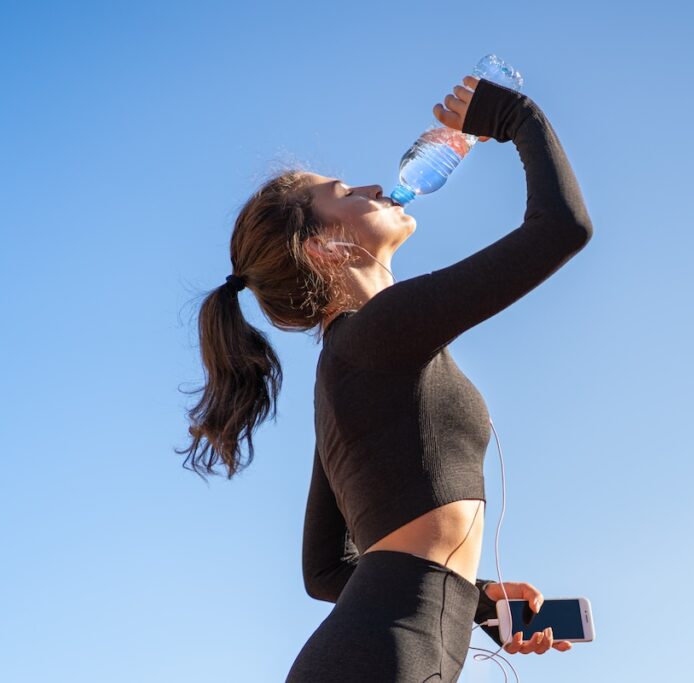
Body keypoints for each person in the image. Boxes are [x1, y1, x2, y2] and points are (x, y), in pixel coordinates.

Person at [177, 74, 592, 682]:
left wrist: (478, 604)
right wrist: (517, 116)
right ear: (325, 248)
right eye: (345, 192)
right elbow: (562, 228)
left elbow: (324, 571)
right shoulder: (375, 333)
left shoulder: (348, 365)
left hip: (375, 654)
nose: (373, 186)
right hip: (385, 659)